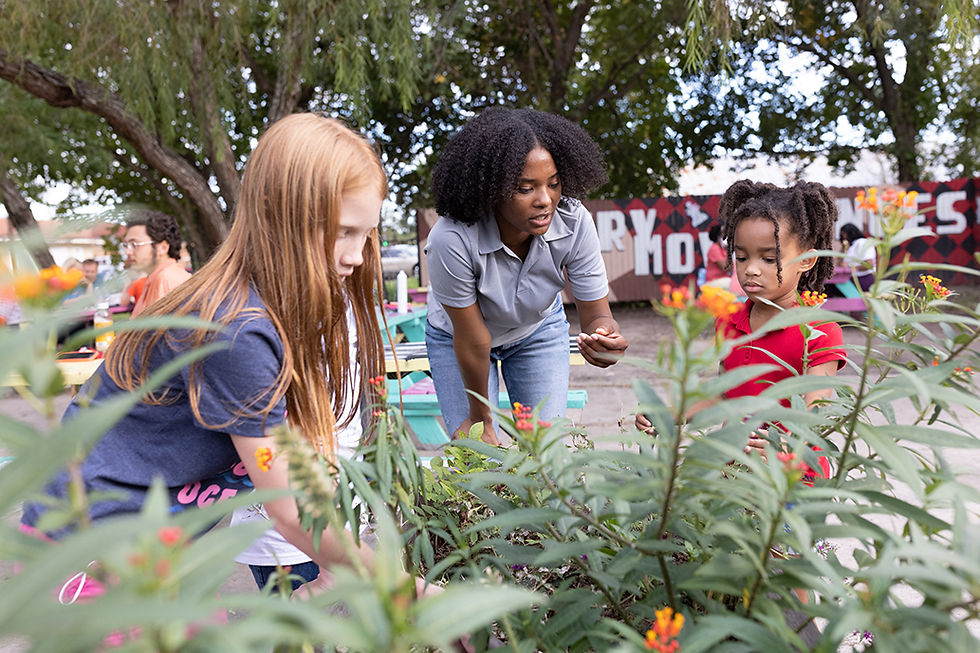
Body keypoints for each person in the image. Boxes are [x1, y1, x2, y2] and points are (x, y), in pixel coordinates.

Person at [21, 113, 426, 598]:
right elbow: (290, 508)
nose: (357, 256)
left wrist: (335, 558)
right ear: (283, 216)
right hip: (84, 549)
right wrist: (414, 594)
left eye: (366, 234)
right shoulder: (238, 330)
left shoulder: (274, 314)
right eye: (342, 231)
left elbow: (293, 460)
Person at [424, 107, 629, 445]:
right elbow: (473, 339)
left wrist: (604, 339)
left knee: (546, 453)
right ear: (491, 189)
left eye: (554, 184)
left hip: (537, 331)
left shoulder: (575, 223)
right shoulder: (452, 238)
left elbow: (597, 314)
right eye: (524, 188)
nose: (545, 200)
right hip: (459, 339)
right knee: (477, 455)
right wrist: (481, 419)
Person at [637, 180, 846, 470]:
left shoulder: (820, 331)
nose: (751, 269)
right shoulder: (730, 321)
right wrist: (670, 415)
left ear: (807, 260)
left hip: (792, 482)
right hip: (734, 475)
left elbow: (817, 413)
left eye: (770, 258)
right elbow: (725, 395)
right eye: (742, 256)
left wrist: (787, 445)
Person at [122, 210, 192, 316]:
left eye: (134, 244)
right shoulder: (153, 278)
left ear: (163, 248)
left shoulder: (169, 279)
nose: (128, 252)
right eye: (126, 245)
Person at [838, 223, 875, 291]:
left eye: (843, 235)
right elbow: (840, 262)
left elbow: (869, 264)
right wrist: (843, 247)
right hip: (851, 279)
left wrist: (850, 267)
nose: (842, 237)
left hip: (862, 279)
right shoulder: (851, 246)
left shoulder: (862, 242)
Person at [702, 224, 730, 289]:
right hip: (714, 281)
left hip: (723, 280)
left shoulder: (722, 249)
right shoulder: (714, 248)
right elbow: (725, 268)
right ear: (718, 237)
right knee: (734, 284)